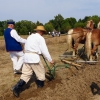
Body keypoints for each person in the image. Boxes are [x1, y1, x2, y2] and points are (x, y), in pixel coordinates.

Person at [12, 25, 55, 97]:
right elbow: (45, 50)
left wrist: (37, 52)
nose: (43, 34)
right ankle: (40, 89)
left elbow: (28, 47)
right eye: (43, 32)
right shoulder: (40, 38)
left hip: (26, 58)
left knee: (26, 74)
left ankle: (16, 88)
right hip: (34, 59)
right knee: (41, 73)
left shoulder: (30, 37)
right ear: (41, 32)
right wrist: (50, 60)